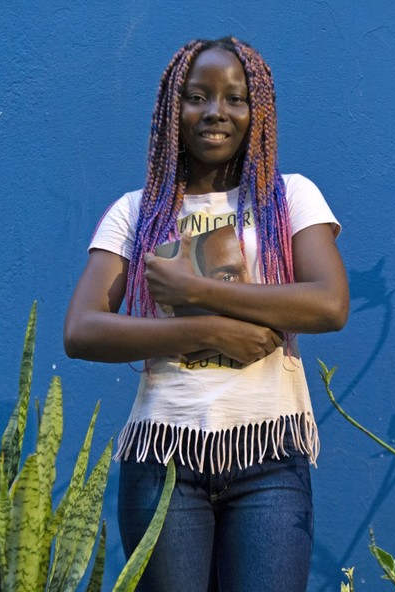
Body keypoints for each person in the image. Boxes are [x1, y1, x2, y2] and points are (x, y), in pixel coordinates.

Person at [64, 36, 349, 592]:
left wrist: (196, 289)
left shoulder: (289, 199)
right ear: (175, 109)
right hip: (163, 462)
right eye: (197, 97)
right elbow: (82, 329)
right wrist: (202, 331)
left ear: (256, 111)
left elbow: (329, 302)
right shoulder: (136, 212)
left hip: (268, 459)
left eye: (235, 98)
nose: (216, 112)